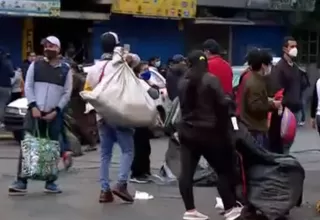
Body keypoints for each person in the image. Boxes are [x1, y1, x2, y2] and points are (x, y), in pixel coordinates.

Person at [178, 50, 241, 220]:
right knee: (222, 170)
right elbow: (222, 105)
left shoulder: (182, 83)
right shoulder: (211, 80)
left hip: (187, 132)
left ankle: (190, 211)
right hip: (209, 133)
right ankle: (230, 208)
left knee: (186, 173)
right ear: (205, 63)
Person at [8, 36, 73, 195]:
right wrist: (33, 106)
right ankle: (21, 181)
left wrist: (56, 111)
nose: (47, 48)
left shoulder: (65, 69)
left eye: (51, 46)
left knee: (52, 147)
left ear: (58, 49)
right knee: (28, 145)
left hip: (53, 114)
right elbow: (28, 86)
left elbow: (66, 93)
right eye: (45, 46)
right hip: (34, 113)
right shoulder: (35, 65)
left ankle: (50, 182)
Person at [83, 32, 138, 203]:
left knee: (105, 154)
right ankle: (121, 184)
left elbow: (89, 91)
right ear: (116, 46)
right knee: (127, 151)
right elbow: (136, 60)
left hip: (102, 116)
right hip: (119, 113)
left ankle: (104, 191)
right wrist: (124, 54)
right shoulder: (121, 64)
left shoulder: (93, 68)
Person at [267, 36, 309, 153]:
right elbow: (276, 90)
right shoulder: (279, 68)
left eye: (296, 46)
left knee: (289, 141)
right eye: (292, 47)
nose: (295, 49)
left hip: (296, 110)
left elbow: (302, 85)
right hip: (285, 110)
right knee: (283, 142)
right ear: (284, 49)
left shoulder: (295, 67)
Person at [240, 49, 281, 148]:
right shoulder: (255, 82)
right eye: (269, 64)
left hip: (250, 126)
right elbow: (255, 106)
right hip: (255, 129)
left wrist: (268, 100)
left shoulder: (251, 78)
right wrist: (273, 105)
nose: (270, 67)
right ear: (263, 65)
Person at [130, 61, 159, 183]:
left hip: (141, 116)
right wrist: (151, 84)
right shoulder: (140, 82)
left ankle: (145, 171)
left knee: (145, 146)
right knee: (140, 146)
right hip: (139, 117)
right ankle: (137, 173)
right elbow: (154, 94)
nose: (147, 72)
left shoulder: (137, 82)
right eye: (144, 70)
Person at [0, 49, 15, 122]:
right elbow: (12, 74)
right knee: (2, 103)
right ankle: (1, 122)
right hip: (5, 85)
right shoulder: (7, 62)